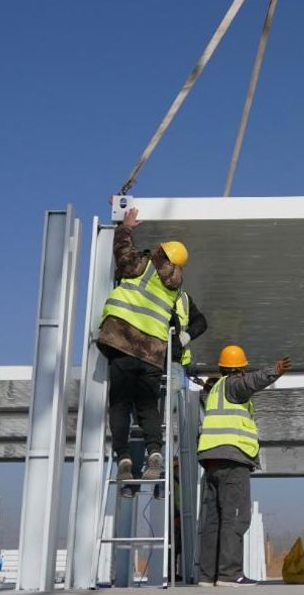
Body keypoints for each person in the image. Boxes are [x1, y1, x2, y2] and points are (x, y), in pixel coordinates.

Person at [97, 207, 208, 490]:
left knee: (120, 404)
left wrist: (126, 226)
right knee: (147, 407)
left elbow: (122, 253)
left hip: (123, 343)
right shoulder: (174, 289)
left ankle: (124, 457)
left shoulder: (143, 266)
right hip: (152, 356)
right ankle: (155, 451)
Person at [197, 345, 292, 587]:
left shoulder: (214, 391)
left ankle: (208, 576)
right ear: (239, 369)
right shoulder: (232, 385)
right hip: (232, 459)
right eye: (243, 370)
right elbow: (250, 383)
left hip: (211, 460)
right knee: (235, 518)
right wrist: (274, 371)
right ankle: (230, 574)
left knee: (213, 521)